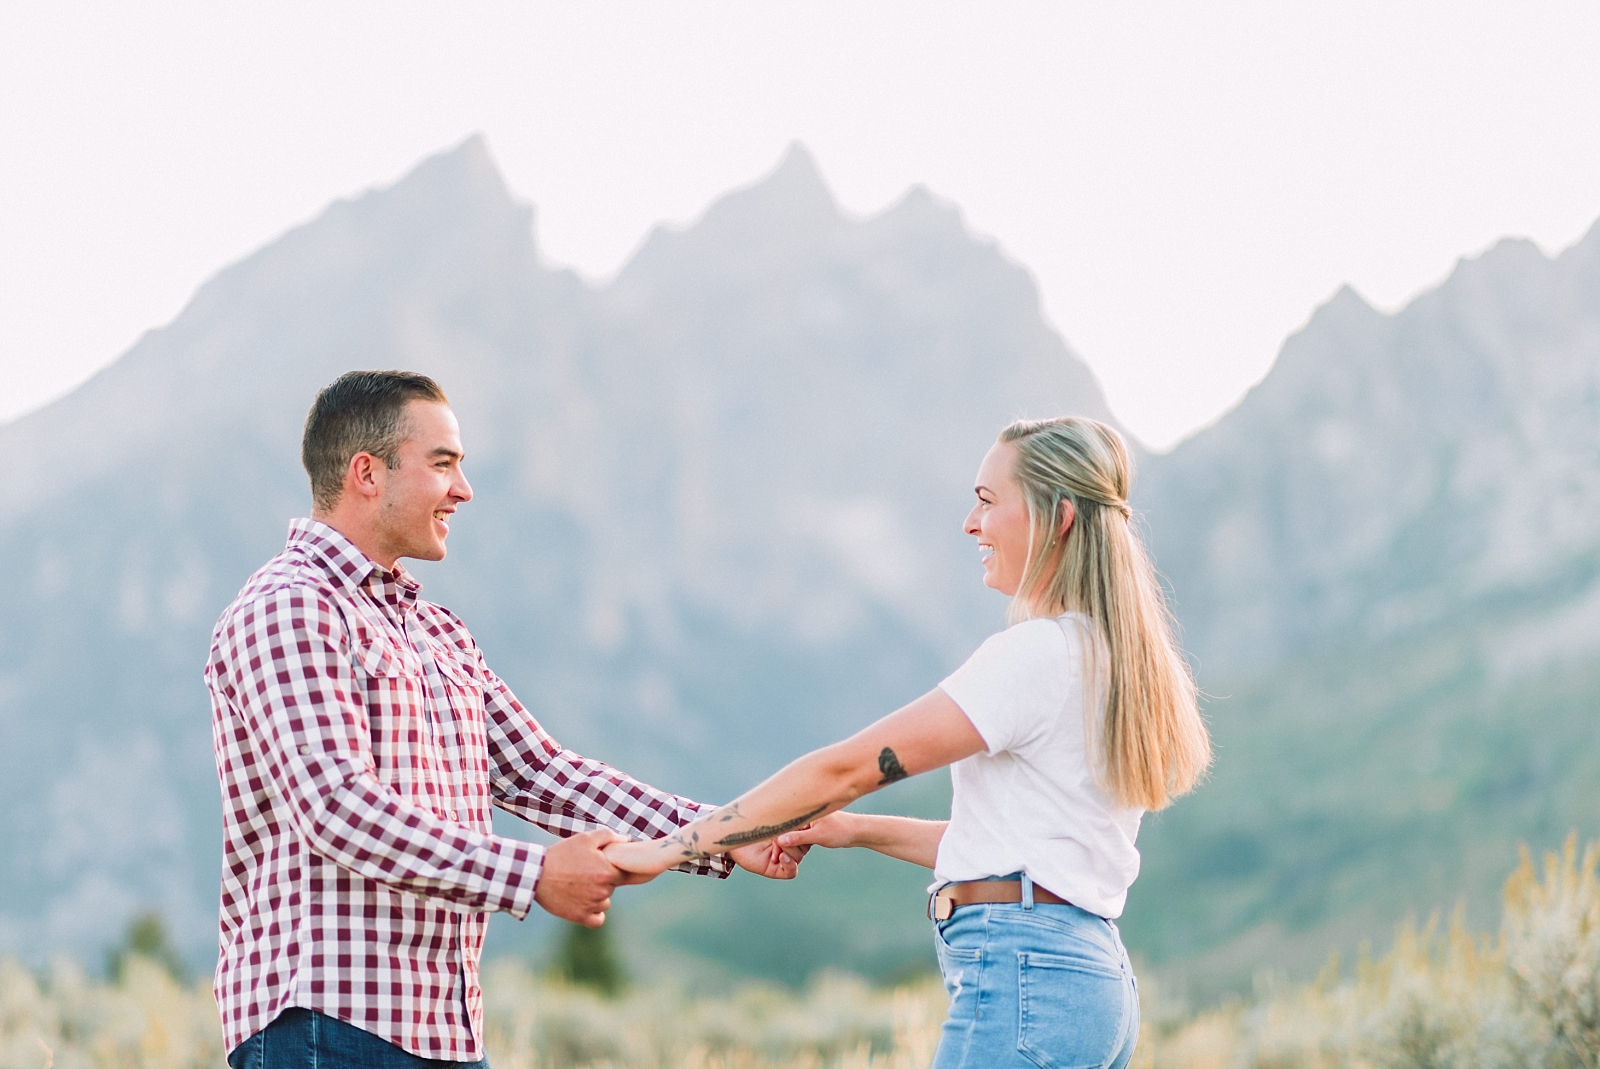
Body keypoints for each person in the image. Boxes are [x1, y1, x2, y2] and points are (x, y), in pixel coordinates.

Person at [206, 370, 798, 1069]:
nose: (464, 489)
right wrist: (535, 873)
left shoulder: (437, 631)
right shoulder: (289, 605)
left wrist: (728, 834)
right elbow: (337, 807)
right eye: (443, 463)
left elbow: (545, 773)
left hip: (444, 1034)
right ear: (367, 473)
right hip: (325, 1027)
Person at [606, 415, 1212, 1069]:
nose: (970, 523)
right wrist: (855, 829)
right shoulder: (1107, 658)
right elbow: (1011, 850)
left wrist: (666, 848)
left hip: (1025, 981)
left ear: (1059, 516)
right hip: (1090, 985)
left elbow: (843, 767)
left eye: (987, 501)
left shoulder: (1036, 655)